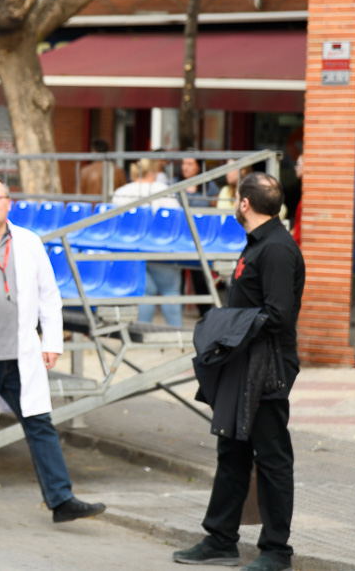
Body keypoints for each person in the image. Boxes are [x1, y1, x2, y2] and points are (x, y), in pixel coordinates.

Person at [0, 174, 105, 528]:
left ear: (8, 202)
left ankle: (61, 499)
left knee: (40, 423)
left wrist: (52, 341)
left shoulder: (28, 242)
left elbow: (48, 295)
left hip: (22, 354)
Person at [173, 173, 304, 571]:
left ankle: (276, 551)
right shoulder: (260, 243)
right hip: (243, 364)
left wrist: (226, 329)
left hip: (267, 368)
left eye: (236, 199)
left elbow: (278, 316)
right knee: (232, 451)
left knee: (272, 457)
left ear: (244, 203)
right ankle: (220, 539)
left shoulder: (278, 250)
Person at [113, 159, 183, 327]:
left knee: (146, 292)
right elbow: (176, 219)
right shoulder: (163, 190)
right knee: (170, 290)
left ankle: (143, 330)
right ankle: (177, 333)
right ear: (151, 172)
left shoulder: (121, 192)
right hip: (161, 248)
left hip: (131, 249)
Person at [178, 156, 220, 317]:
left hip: (202, 239)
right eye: (183, 163)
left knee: (201, 278)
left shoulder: (210, 187)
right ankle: (178, 313)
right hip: (180, 237)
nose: (185, 167)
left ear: (198, 166)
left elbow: (217, 210)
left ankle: (206, 315)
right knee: (177, 278)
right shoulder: (176, 185)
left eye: (189, 163)